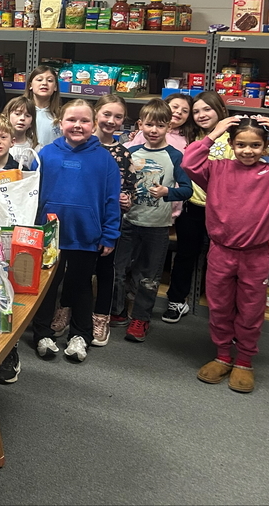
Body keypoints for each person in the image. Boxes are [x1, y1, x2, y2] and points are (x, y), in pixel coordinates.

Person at [184, 115, 269, 393]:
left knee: (251, 309)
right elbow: (189, 162)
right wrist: (215, 132)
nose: (248, 151)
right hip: (221, 252)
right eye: (241, 144)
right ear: (231, 145)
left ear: (265, 146)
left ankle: (244, 360)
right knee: (219, 306)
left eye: (255, 145)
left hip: (256, 256)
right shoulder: (217, 169)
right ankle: (223, 355)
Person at [19, 100, 120, 380]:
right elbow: (30, 194)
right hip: (49, 235)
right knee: (47, 287)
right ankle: (42, 333)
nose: (78, 125)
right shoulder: (45, 154)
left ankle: (80, 336)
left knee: (81, 286)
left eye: (84, 121)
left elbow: (112, 200)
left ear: (93, 124)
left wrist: (110, 234)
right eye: (72, 120)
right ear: (60, 123)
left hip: (86, 235)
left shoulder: (105, 160)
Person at [51, 95, 137, 348]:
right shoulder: (54, 150)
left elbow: (121, 192)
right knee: (63, 277)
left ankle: (93, 323)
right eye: (106, 114)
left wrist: (123, 205)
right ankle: (62, 312)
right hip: (61, 228)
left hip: (97, 227)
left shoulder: (115, 155)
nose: (111, 120)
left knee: (93, 276)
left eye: (118, 116)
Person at [122, 99, 194, 343]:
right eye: (149, 125)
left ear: (169, 127)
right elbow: (120, 183)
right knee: (120, 269)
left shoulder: (175, 156)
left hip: (157, 227)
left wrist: (167, 192)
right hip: (129, 223)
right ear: (140, 124)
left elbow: (187, 190)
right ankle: (117, 311)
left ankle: (141, 318)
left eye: (160, 126)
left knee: (149, 276)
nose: (154, 130)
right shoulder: (131, 152)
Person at [164, 91, 231, 324]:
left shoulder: (233, 137)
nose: (201, 115)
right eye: (196, 111)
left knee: (220, 260)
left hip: (222, 210)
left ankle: (222, 307)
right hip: (191, 206)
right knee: (185, 254)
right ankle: (176, 300)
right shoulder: (190, 136)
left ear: (221, 110)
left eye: (207, 109)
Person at [125, 92, 195, 152]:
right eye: (175, 107)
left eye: (185, 111)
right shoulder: (146, 134)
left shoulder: (188, 138)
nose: (179, 112)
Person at [24, 66, 61, 148]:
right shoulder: (18, 112)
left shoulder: (61, 115)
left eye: (50, 80)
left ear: (55, 87)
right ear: (30, 85)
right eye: (39, 80)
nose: (44, 83)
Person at [4, 96, 37, 162]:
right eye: (17, 114)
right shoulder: (0, 145)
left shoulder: (36, 148)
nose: (22, 118)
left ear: (31, 122)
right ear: (7, 116)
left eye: (27, 115)